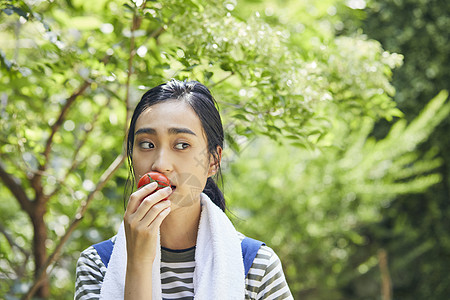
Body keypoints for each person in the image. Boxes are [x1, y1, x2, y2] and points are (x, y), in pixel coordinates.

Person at [75, 79, 293, 299]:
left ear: (214, 161)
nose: (160, 164)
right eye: (147, 144)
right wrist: (138, 262)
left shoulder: (256, 266)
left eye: (181, 145)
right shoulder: (97, 264)